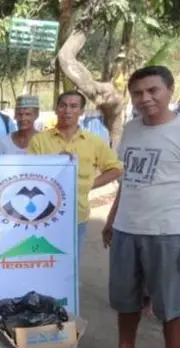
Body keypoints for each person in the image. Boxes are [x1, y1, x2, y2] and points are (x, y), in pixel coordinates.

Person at [89, 66, 180, 348]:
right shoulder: (130, 129)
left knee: (170, 302)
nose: (145, 98)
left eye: (153, 90)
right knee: (125, 296)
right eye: (138, 93)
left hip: (168, 231)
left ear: (169, 90)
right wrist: (113, 217)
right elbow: (127, 180)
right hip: (128, 228)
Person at [28, 91, 123, 257]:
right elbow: (30, 173)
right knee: (42, 261)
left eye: (73, 106)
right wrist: (55, 164)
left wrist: (89, 185)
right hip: (43, 214)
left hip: (77, 215)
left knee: (70, 264)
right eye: (63, 105)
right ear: (56, 109)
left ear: (81, 112)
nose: (67, 110)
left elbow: (116, 169)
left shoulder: (94, 142)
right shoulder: (39, 141)